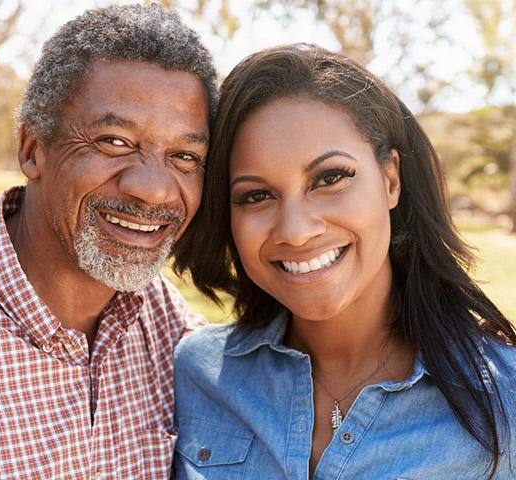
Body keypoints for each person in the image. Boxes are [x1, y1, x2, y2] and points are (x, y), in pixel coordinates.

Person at [0, 4, 217, 479]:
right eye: (114, 141)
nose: (154, 188)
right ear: (33, 149)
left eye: (184, 155)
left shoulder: (169, 330)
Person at [171, 44, 516, 479]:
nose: (296, 230)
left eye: (330, 178)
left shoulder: (504, 399)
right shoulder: (196, 374)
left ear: (391, 180)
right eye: (256, 196)